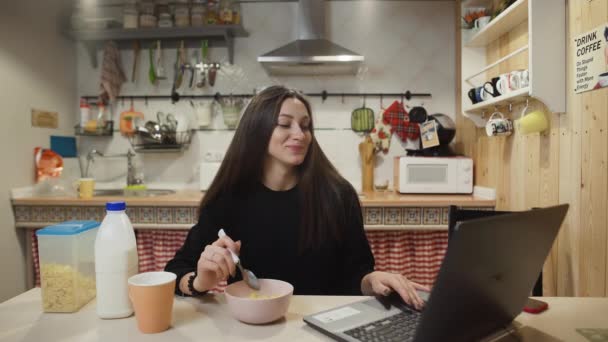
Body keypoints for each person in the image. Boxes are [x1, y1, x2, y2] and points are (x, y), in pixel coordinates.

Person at [164, 85, 429, 309]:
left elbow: (356, 275)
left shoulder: (338, 196)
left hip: (326, 323)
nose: (300, 135)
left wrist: (372, 280)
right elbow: (175, 270)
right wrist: (200, 281)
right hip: (256, 327)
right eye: (284, 124)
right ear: (257, 130)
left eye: (305, 126)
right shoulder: (228, 199)